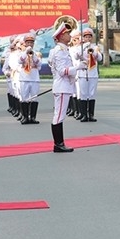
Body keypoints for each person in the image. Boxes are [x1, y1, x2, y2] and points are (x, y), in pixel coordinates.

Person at [48, 21, 80, 152]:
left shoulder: (63, 50)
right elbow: (62, 70)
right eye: (67, 33)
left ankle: (59, 143)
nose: (70, 35)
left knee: (60, 115)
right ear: (61, 36)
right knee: (59, 115)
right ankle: (58, 144)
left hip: (64, 86)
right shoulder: (60, 51)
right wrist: (78, 67)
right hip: (62, 86)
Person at [73, 27, 102, 122]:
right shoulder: (80, 47)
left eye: (89, 37)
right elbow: (76, 56)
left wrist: (95, 52)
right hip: (83, 74)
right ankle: (84, 114)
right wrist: (84, 46)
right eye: (86, 37)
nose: (88, 39)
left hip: (93, 73)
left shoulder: (95, 47)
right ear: (83, 38)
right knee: (83, 94)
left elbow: (100, 58)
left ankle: (91, 115)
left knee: (92, 94)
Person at [17, 32, 42, 124]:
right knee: (24, 98)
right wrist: (26, 52)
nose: (30, 44)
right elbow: (19, 61)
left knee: (34, 98)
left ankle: (33, 117)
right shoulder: (21, 53)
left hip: (34, 78)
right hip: (24, 78)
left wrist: (33, 55)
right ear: (25, 43)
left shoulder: (37, 53)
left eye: (31, 43)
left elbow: (39, 64)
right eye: (28, 43)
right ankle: (25, 117)